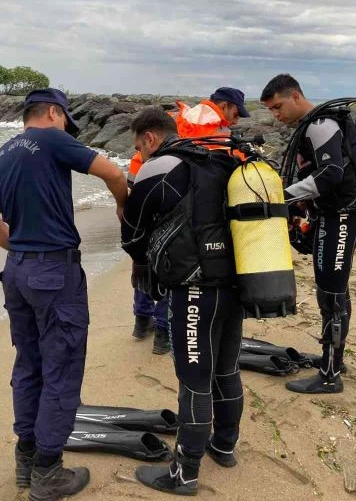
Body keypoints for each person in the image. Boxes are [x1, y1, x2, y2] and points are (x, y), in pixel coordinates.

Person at [0, 88, 128, 500]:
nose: (67, 128)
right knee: (61, 368)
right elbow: (113, 173)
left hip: (17, 272)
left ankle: (25, 458)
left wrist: (24, 251)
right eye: (66, 120)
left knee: (30, 364)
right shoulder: (51, 138)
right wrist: (122, 207)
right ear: (52, 112)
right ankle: (48, 471)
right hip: (53, 273)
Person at [121, 108, 245, 495]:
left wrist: (141, 264)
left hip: (194, 289)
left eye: (139, 145)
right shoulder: (222, 162)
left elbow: (132, 229)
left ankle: (185, 473)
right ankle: (223, 446)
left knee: (194, 379)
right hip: (236, 282)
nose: (140, 153)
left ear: (151, 138)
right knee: (226, 368)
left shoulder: (161, 167)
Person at [261, 74, 356, 394]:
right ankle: (334, 359)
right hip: (335, 215)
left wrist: (282, 195)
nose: (276, 115)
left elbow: (331, 174)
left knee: (331, 294)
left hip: (342, 217)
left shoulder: (320, 125)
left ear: (295, 96)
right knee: (334, 290)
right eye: (271, 111)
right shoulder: (313, 125)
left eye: (278, 107)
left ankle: (330, 375)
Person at [125, 87, 250, 355]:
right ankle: (162, 334)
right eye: (237, 112)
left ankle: (140, 322)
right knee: (170, 269)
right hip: (189, 212)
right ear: (226, 106)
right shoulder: (214, 127)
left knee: (146, 263)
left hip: (148, 186)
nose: (237, 119)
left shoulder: (179, 118)